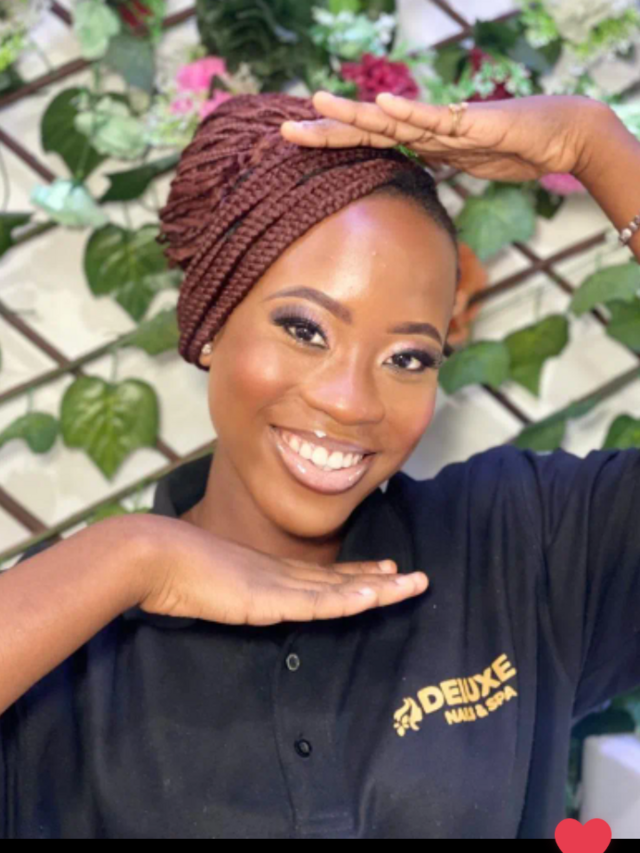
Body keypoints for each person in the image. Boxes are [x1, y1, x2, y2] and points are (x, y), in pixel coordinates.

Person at [1, 89, 639, 840]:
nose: (350, 401)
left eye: (409, 357)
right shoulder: (72, 623)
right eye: (305, 330)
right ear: (211, 322)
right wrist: (135, 555)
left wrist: (596, 145)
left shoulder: (522, 543)